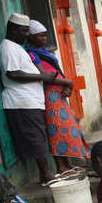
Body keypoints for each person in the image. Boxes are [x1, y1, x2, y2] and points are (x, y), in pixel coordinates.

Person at [0, 13, 57, 184]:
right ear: (12, 29)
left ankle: (45, 173)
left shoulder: (17, 47)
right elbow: (13, 73)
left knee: (37, 136)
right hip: (21, 102)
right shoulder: (7, 47)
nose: (26, 35)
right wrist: (42, 77)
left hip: (30, 101)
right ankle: (45, 174)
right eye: (23, 31)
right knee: (35, 138)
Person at [25, 20, 89, 177]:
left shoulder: (45, 51)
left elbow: (57, 72)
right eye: (40, 36)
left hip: (59, 94)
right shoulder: (31, 53)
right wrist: (68, 83)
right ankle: (60, 166)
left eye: (46, 36)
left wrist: (67, 86)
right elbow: (46, 76)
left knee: (66, 128)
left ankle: (68, 164)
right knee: (55, 130)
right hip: (50, 96)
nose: (44, 39)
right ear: (31, 36)